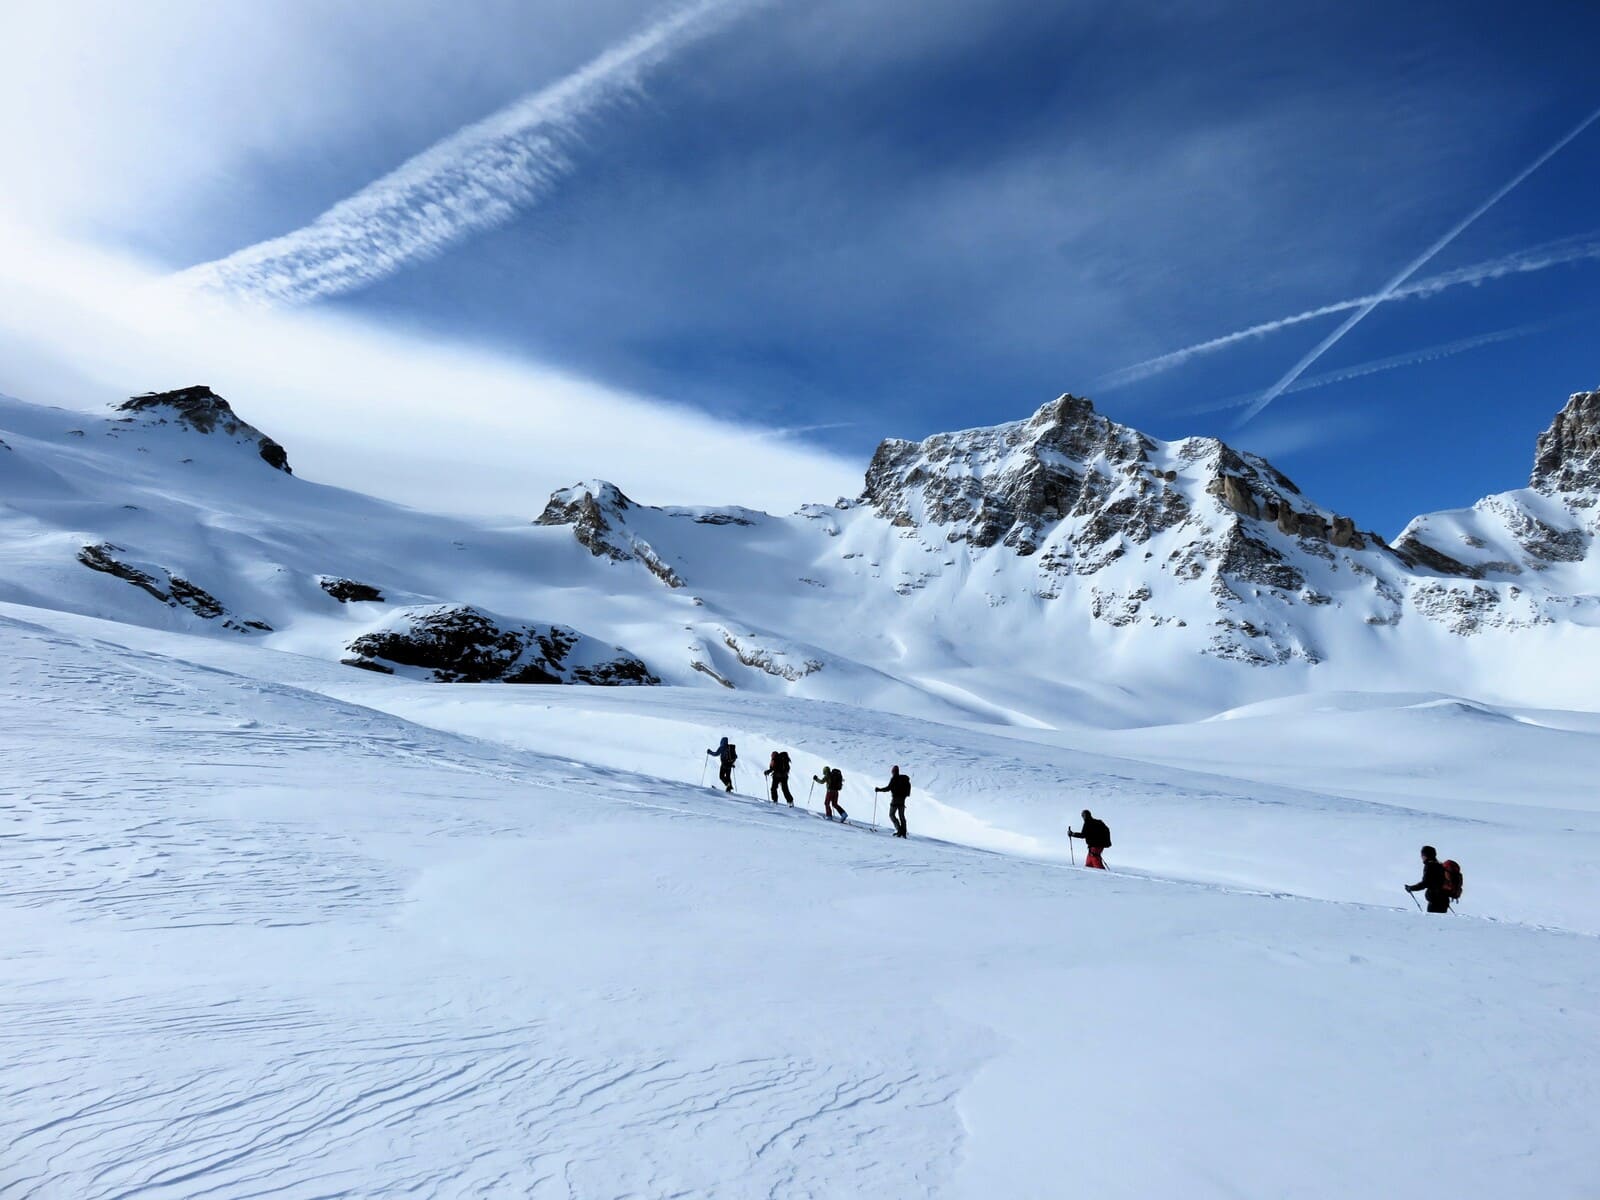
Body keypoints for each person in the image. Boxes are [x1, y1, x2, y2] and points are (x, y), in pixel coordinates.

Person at [1406, 845, 1451, 913]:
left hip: (1435, 900)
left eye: (1422, 855)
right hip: (1444, 899)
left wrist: (1411, 888)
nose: (1421, 857)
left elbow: (1425, 883)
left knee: (1433, 922)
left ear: (1425, 855)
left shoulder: (1430, 866)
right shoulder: (1440, 866)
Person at [875, 766, 911, 837]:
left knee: (891, 815)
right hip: (902, 800)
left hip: (895, 800)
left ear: (893, 771)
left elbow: (888, 788)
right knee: (902, 816)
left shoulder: (894, 779)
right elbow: (908, 793)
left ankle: (899, 830)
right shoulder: (904, 780)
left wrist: (879, 790)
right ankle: (903, 832)